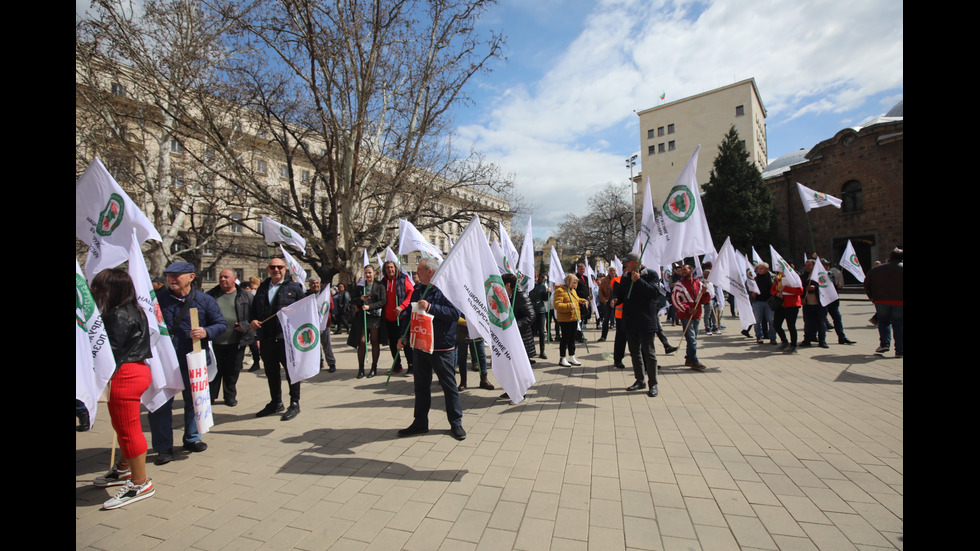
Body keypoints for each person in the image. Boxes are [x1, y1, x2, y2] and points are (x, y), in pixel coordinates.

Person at [147, 261, 226, 465]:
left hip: (194, 360)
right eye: (168, 276)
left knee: (194, 401)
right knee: (161, 405)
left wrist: (206, 332)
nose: (171, 279)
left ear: (190, 277)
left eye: (176, 275)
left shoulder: (204, 300)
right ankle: (163, 447)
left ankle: (192, 438)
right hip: (164, 363)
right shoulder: (156, 300)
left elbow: (220, 324)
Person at [90, 269, 156, 509]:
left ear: (112, 289)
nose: (94, 291)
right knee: (124, 426)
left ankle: (140, 483)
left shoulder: (117, 315)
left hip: (124, 375)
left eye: (98, 287)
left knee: (128, 430)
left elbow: (110, 353)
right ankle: (123, 468)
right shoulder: (133, 310)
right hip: (136, 371)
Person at [397, 259, 466, 440]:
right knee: (421, 386)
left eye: (419, 269)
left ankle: (456, 423)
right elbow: (409, 316)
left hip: (442, 347)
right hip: (421, 345)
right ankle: (420, 422)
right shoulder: (418, 290)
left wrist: (431, 307)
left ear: (430, 272)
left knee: (449, 386)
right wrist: (403, 336)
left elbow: (454, 314)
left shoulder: (446, 289)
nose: (416, 273)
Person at [250, 257, 305, 421]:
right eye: (273, 267)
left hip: (286, 338)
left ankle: (294, 403)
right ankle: (276, 402)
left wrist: (293, 311)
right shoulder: (262, 288)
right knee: (271, 372)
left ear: (285, 269)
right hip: (267, 337)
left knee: (291, 373)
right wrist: (252, 321)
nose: (276, 270)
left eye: (279, 267)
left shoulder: (294, 287)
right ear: (268, 269)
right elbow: (254, 310)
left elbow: (304, 309)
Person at [613, 252, 662, 397]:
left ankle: (653, 384)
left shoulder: (651, 275)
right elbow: (620, 294)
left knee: (649, 353)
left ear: (636, 262)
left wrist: (639, 281)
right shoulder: (625, 277)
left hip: (646, 321)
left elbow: (654, 293)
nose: (624, 264)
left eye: (627, 262)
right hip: (629, 320)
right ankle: (640, 380)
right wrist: (615, 300)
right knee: (635, 352)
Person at [206, 269, 255, 407]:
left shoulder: (245, 296)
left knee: (232, 371)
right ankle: (210, 396)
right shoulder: (210, 295)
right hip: (215, 341)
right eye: (221, 277)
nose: (222, 279)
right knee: (214, 370)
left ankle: (230, 396)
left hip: (236, 341)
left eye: (226, 277)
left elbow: (254, 317)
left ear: (234, 279)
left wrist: (245, 326)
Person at [347, 265, 386, 378]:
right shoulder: (360, 286)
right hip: (362, 317)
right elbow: (352, 300)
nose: (368, 275)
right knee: (362, 342)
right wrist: (360, 299)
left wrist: (370, 307)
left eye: (369, 272)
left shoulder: (379, 286)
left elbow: (383, 301)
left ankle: (374, 367)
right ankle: (361, 368)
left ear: (374, 273)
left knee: (374, 341)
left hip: (374, 317)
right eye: (366, 273)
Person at [865, 248, 903, 357]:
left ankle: (885, 344)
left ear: (890, 257)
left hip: (881, 300)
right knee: (899, 324)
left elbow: (867, 283)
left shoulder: (876, 269)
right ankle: (900, 350)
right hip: (900, 301)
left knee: (884, 322)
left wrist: (872, 297)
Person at [671, 264, 710, 370]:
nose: (682, 271)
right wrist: (688, 309)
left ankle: (688, 358)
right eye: (682, 270)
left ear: (691, 270)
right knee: (691, 338)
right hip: (685, 315)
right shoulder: (679, 285)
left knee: (694, 338)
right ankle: (694, 360)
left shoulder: (699, 284)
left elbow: (704, 300)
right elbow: (675, 300)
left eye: (685, 270)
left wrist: (705, 293)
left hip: (697, 314)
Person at [381, 261, 414, 375]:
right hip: (388, 318)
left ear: (395, 268)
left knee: (405, 343)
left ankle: (411, 366)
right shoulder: (383, 282)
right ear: (384, 270)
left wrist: (402, 307)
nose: (390, 269)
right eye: (387, 268)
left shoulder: (402, 278)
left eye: (391, 267)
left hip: (402, 317)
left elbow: (411, 294)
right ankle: (397, 365)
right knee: (393, 344)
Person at [554, 273, 589, 367]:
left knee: (572, 339)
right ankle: (562, 358)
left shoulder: (572, 291)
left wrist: (584, 301)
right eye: (574, 282)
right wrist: (570, 306)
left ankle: (571, 356)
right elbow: (557, 305)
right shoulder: (560, 290)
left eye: (576, 283)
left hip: (574, 317)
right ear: (568, 281)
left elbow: (577, 299)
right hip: (565, 319)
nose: (575, 285)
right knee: (565, 338)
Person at [503, 272, 537, 363]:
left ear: (508, 285)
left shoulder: (521, 296)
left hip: (522, 336)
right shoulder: (511, 295)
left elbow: (531, 316)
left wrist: (515, 326)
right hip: (515, 337)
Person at [771, 271, 803, 353]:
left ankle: (793, 345)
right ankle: (784, 342)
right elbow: (772, 290)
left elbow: (800, 291)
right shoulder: (779, 277)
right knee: (776, 325)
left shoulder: (794, 278)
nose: (780, 271)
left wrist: (785, 288)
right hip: (780, 305)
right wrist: (776, 293)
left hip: (792, 305)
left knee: (791, 326)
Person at [800, 259, 829, 348]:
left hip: (820, 304)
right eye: (806, 265)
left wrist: (815, 288)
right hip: (807, 304)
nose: (807, 267)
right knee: (808, 323)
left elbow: (826, 286)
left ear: (814, 266)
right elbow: (800, 287)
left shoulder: (821, 275)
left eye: (809, 265)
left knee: (821, 323)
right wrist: (801, 298)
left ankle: (822, 341)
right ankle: (807, 339)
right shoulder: (804, 276)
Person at [751, 263, 776, 345]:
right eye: (759, 268)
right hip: (757, 301)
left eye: (762, 268)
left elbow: (777, 287)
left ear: (767, 269)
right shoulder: (754, 277)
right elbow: (748, 287)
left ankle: (772, 337)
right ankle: (759, 336)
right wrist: (752, 293)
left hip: (770, 301)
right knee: (758, 320)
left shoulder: (773, 277)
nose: (759, 270)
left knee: (771, 320)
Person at [528, 273, 549, 360]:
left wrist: (548, 293)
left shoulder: (542, 286)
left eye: (536, 277)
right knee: (531, 333)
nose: (535, 279)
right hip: (530, 311)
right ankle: (531, 352)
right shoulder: (527, 286)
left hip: (541, 311)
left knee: (541, 332)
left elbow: (545, 299)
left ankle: (542, 351)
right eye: (533, 277)